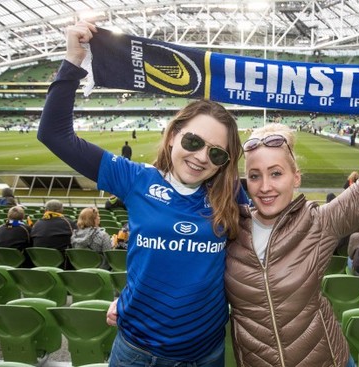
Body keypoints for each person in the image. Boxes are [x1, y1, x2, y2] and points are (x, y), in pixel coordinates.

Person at [39, 22, 244, 366]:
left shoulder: (231, 194)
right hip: (136, 352)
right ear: (174, 134)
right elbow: (54, 134)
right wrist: (73, 60)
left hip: (205, 355)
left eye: (216, 153)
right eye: (193, 142)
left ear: (224, 163)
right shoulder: (136, 179)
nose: (200, 158)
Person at [225, 113, 359, 367]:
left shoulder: (319, 222)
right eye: (254, 176)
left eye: (276, 173)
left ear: (296, 177)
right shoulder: (230, 228)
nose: (264, 186)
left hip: (327, 360)